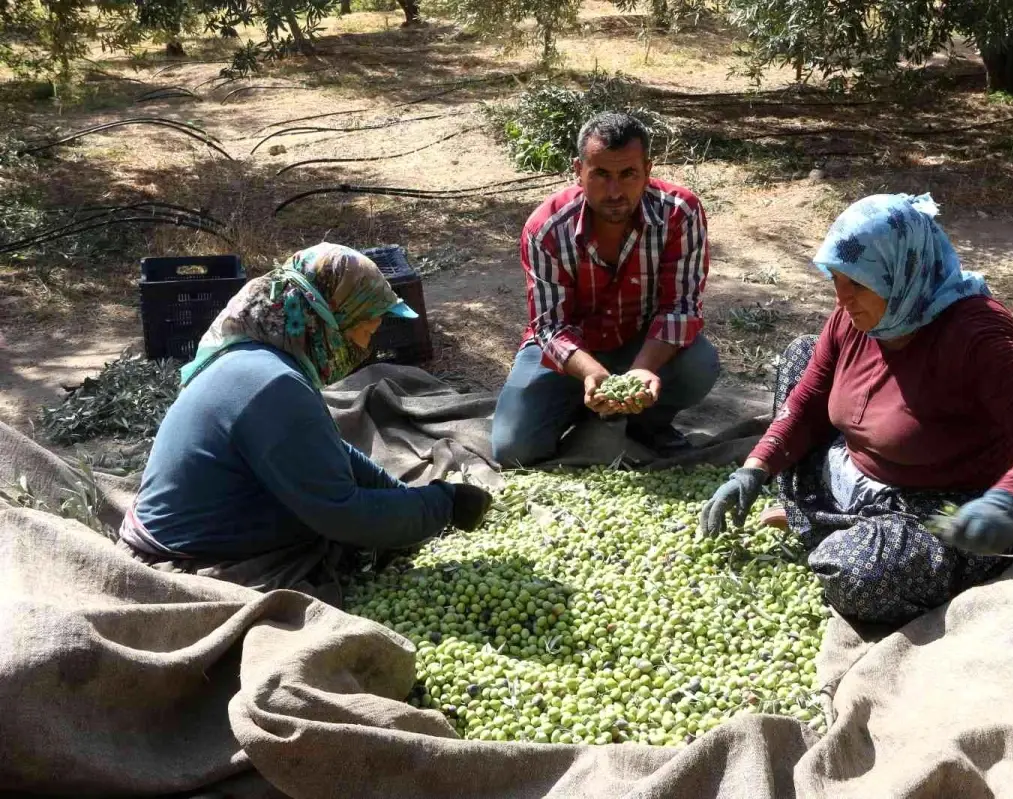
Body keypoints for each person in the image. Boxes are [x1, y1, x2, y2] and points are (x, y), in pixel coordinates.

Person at [700, 193, 1013, 626]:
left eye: (859, 284)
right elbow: (806, 400)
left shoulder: (978, 335)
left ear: (901, 272)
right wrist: (755, 467)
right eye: (837, 281)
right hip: (861, 475)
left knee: (857, 577)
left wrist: (1009, 503)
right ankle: (838, 522)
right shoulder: (857, 317)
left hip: (946, 510)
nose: (843, 300)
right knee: (801, 355)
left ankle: (853, 535)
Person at [118, 243, 492, 594]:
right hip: (182, 565)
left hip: (191, 535)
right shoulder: (273, 385)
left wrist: (401, 497)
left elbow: (330, 452)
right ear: (328, 318)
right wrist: (443, 505)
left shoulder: (257, 359)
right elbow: (344, 515)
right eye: (367, 326)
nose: (368, 345)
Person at [490, 112, 721, 466]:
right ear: (578, 171)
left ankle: (646, 422)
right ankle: (591, 412)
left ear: (647, 169)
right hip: (569, 354)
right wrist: (591, 374)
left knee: (699, 364)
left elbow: (681, 308)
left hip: (641, 342)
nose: (615, 192)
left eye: (628, 174)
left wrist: (642, 370)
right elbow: (550, 326)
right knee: (512, 450)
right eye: (601, 174)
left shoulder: (680, 213)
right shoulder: (547, 229)